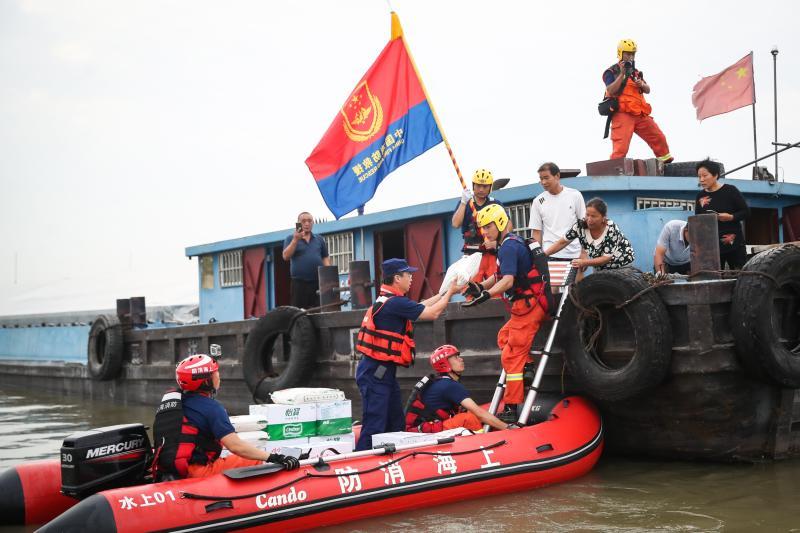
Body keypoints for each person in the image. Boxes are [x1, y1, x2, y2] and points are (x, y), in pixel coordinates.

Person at [354, 258, 463, 451]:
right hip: (375, 373)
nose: (412, 278)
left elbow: (421, 305)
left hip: (383, 372)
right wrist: (451, 294)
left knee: (396, 420)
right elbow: (432, 313)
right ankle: (362, 460)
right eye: (408, 274)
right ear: (397, 278)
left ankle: (393, 459)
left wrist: (444, 293)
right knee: (375, 421)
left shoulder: (390, 300)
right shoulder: (394, 303)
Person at [462, 204, 550, 423]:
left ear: (500, 223)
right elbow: (500, 276)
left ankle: (511, 406)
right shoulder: (507, 245)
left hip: (529, 306)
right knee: (504, 337)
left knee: (511, 357)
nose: (486, 231)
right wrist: (480, 287)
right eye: (483, 228)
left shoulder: (509, 247)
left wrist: (486, 294)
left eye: (489, 226)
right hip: (524, 307)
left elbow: (508, 281)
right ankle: (527, 364)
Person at [152, 352, 300, 479]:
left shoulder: (173, 404)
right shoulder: (212, 408)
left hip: (172, 468)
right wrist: (274, 457)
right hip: (196, 472)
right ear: (206, 380)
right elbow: (236, 446)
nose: (219, 376)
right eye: (215, 373)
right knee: (253, 461)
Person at [405, 344, 516, 432]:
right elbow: (479, 413)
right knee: (468, 419)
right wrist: (508, 428)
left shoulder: (442, 382)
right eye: (456, 357)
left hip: (423, 426)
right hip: (420, 430)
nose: (461, 359)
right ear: (445, 363)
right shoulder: (448, 385)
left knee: (470, 414)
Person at [603, 39, 673, 163]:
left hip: (640, 114)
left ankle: (665, 163)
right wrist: (622, 75)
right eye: (628, 53)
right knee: (621, 147)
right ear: (621, 53)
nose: (630, 57)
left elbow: (648, 89)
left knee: (658, 137)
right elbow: (611, 90)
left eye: (632, 54)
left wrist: (641, 84)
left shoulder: (635, 72)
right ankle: (615, 170)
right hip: (623, 114)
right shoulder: (611, 71)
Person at [545, 198, 635, 270]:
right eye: (587, 215)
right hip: (600, 267)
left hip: (622, 266)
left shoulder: (611, 229)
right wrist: (543, 255)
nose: (589, 219)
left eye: (594, 216)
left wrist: (584, 262)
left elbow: (605, 258)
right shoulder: (579, 227)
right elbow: (562, 242)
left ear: (603, 217)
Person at [694, 159, 750, 269]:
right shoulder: (700, 196)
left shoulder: (730, 190)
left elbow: (746, 212)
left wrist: (731, 217)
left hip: (734, 244)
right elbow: (698, 220)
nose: (701, 179)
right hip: (711, 248)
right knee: (714, 278)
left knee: (740, 275)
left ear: (715, 175)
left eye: (705, 176)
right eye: (699, 176)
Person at [451, 169, 503, 283]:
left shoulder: (496, 204)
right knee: (471, 289)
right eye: (478, 186)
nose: (481, 189)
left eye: (485, 186)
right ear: (473, 186)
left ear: (490, 187)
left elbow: (507, 227)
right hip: (471, 255)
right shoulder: (465, 203)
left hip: (491, 253)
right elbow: (455, 224)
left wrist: (496, 243)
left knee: (494, 289)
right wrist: (464, 202)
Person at [528, 162, 586, 262]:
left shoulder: (575, 195)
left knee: (579, 279)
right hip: (549, 255)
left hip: (574, 254)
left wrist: (584, 252)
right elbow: (536, 232)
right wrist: (537, 257)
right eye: (541, 179)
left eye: (546, 178)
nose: (543, 182)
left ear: (557, 176)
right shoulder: (538, 201)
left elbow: (584, 225)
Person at [282, 211, 331, 309]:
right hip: (299, 284)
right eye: (303, 221)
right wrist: (296, 240)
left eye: (309, 221)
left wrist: (329, 275)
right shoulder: (290, 238)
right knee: (298, 312)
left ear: (313, 223)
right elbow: (286, 256)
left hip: (318, 282)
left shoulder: (319, 239)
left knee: (319, 309)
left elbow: (325, 257)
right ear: (298, 223)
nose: (307, 223)